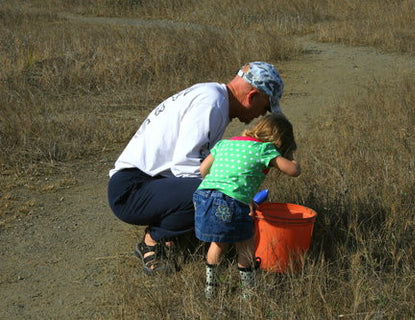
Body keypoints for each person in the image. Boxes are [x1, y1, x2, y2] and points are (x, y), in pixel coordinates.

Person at [107, 61, 285, 275]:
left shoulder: (215, 98)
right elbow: (186, 165)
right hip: (131, 190)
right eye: (265, 107)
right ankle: (152, 241)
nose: (262, 114)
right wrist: (235, 196)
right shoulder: (211, 103)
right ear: (252, 96)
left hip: (148, 184)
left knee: (217, 195)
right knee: (216, 196)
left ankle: (172, 233)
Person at [193, 114, 301, 298]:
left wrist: (231, 193)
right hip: (229, 201)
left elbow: (203, 169)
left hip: (203, 195)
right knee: (245, 244)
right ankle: (248, 292)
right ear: (279, 140)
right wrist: (293, 161)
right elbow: (292, 171)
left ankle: (211, 290)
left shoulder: (225, 144)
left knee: (218, 243)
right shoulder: (264, 149)